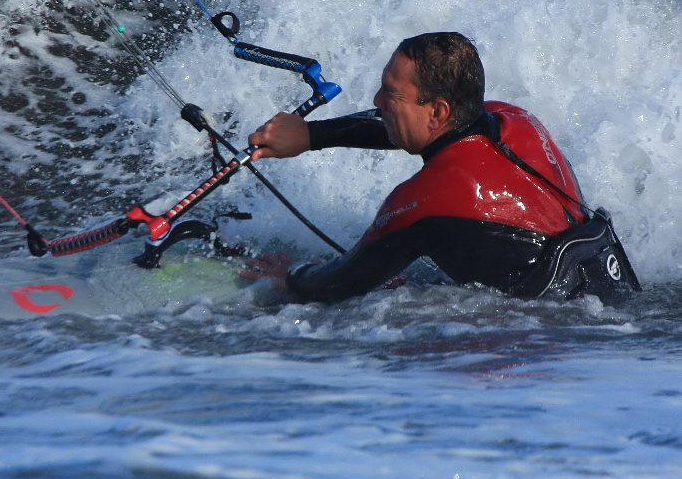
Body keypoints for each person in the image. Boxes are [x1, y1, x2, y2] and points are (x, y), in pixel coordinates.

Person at [246, 32, 640, 303]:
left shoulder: (432, 198)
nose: (377, 99)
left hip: (546, 325)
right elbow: (401, 127)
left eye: (391, 93)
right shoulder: (515, 119)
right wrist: (310, 135)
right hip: (607, 283)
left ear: (438, 110)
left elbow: (339, 283)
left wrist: (290, 276)